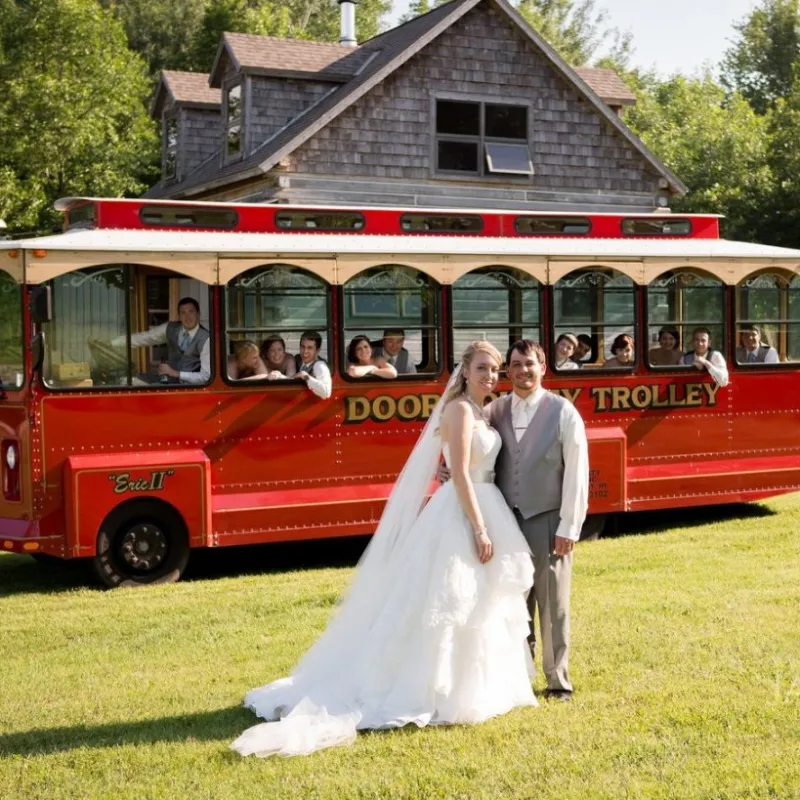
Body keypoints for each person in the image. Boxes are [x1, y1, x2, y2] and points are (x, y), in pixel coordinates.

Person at [231, 342, 537, 758]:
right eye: (482, 368)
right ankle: (435, 689)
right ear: (464, 371)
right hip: (464, 513)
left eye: (495, 369)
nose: (490, 375)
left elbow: (450, 461)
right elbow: (462, 474)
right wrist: (480, 530)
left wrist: (451, 471)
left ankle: (475, 686)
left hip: (485, 503)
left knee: (477, 603)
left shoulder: (482, 410)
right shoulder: (460, 410)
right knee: (447, 602)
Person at [485, 340, 588, 701]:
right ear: (507, 371)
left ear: (543, 366)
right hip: (505, 522)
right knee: (511, 601)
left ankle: (557, 680)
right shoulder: (494, 410)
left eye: (529, 363)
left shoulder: (563, 412)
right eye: (515, 364)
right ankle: (516, 675)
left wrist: (568, 527)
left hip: (547, 520)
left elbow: (577, 474)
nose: (522, 370)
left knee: (552, 605)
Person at [110, 297, 209, 384]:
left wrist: (175, 373)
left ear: (198, 314)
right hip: (165, 381)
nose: (187, 317)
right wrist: (112, 343)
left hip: (190, 389)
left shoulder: (206, 338)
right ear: (179, 316)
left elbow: (205, 376)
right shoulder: (171, 328)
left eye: (191, 312)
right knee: (127, 381)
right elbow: (145, 338)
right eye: (183, 313)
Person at [295, 330, 332, 399]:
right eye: (303, 347)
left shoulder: (319, 365)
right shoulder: (297, 359)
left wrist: (306, 377)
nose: (305, 352)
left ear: (317, 351)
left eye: (310, 348)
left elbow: (326, 392)